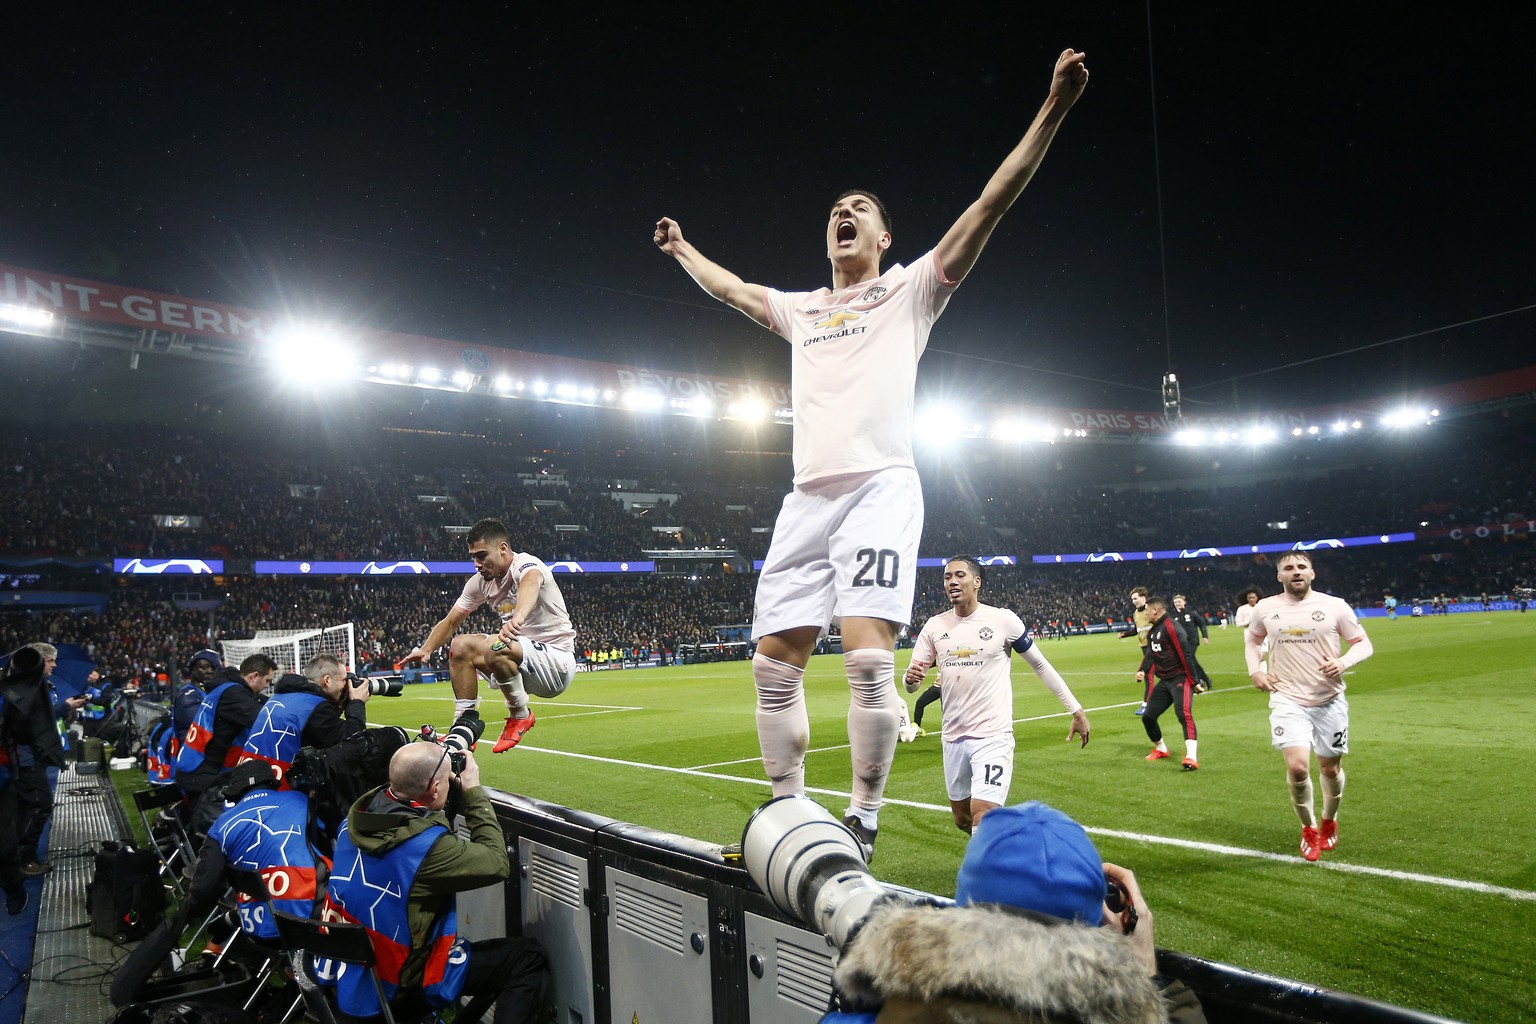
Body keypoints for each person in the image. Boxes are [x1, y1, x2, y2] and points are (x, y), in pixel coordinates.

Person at [654, 49, 1090, 853]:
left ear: (886, 236)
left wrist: (1055, 107)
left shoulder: (912, 288)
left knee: (864, 662)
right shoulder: (802, 308)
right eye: (835, 209)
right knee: (772, 667)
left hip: (883, 487)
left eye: (860, 208)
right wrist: (683, 250)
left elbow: (991, 202)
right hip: (806, 497)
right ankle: (786, 807)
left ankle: (862, 816)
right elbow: (734, 290)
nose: (844, 213)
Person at [824, 801, 1205, 1022]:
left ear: (963, 906)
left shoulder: (874, 1005)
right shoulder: (1119, 1010)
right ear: (1099, 924)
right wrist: (1145, 973)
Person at [327, 742, 549, 1024]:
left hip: (353, 975)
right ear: (434, 789)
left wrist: (435, 767)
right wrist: (472, 792)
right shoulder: (423, 848)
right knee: (527, 958)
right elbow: (496, 862)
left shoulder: (353, 822)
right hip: (399, 984)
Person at [903, 557, 1090, 835]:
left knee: (984, 814)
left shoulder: (1002, 620)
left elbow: (1040, 665)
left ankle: (992, 874)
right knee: (963, 819)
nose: (952, 581)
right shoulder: (933, 626)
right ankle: (1008, 847)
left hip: (993, 735)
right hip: (953, 737)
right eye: (946, 577)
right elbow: (911, 683)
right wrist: (910, 680)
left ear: (976, 582)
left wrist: (1075, 708)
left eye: (959, 575)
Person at [402, 518, 577, 754]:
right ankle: (463, 728)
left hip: (556, 664)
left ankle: (520, 715)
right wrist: (426, 648)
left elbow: (531, 583)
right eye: (473, 557)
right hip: (518, 659)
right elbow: (451, 620)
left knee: (496, 644)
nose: (476, 563)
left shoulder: (526, 565)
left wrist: (518, 617)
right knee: (460, 645)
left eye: (482, 555)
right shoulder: (480, 583)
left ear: (503, 548)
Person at [1246, 552, 1373, 862]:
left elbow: (1363, 643)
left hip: (1329, 700)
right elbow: (1252, 641)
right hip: (1287, 698)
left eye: (1302, 567)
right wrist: (1256, 670)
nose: (1296, 572)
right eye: (1288, 568)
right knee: (1298, 767)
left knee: (1330, 768)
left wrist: (1343, 661)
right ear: (1280, 577)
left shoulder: (1335, 606)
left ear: (1312, 574)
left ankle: (1330, 819)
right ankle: (1309, 828)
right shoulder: (1265, 608)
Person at [175, 653, 278, 836]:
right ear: (254, 676)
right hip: (202, 774)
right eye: (267, 680)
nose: (267, 687)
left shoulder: (226, 688)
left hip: (195, 767)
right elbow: (264, 722)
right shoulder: (234, 694)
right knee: (214, 834)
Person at [237, 654, 370, 785]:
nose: (346, 685)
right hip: (277, 788)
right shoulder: (313, 706)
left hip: (249, 778)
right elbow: (353, 740)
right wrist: (357, 702)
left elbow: (322, 731)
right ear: (327, 680)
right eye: (343, 680)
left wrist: (339, 704)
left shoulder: (282, 696)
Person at [15, 642, 83, 875]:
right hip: (27, 757)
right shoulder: (27, 686)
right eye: (50, 660)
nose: (54, 664)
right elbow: (34, 720)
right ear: (37, 661)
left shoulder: (31, 685)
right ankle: (24, 860)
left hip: (31, 756)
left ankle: (20, 857)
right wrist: (64, 706)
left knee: (31, 806)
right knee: (39, 805)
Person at [1138, 597, 1200, 770]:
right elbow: (1151, 651)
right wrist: (1143, 669)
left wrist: (1194, 681)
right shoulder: (1154, 630)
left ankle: (1191, 757)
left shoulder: (1172, 627)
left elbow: (1185, 654)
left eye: (1147, 611)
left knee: (1183, 714)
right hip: (1164, 681)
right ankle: (1161, 748)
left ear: (1156, 611)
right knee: (1148, 717)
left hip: (1180, 679)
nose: (1146, 614)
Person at [1118, 586, 1152, 714]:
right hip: (1144, 646)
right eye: (1132, 599)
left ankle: (1146, 704)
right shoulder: (1136, 614)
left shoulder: (1151, 610)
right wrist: (1124, 634)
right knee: (1158, 673)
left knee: (1147, 674)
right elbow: (1137, 630)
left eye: (1136, 598)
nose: (1134, 601)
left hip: (1154, 646)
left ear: (1144, 598)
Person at [1170, 594, 1213, 694]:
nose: (1177, 604)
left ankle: (1198, 682)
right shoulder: (1173, 615)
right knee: (1191, 662)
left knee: (1189, 660)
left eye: (1179, 601)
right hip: (1180, 642)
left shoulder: (1191, 613)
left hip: (1192, 641)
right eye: (1175, 602)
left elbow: (1201, 623)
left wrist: (1205, 636)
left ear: (1184, 602)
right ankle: (1205, 680)